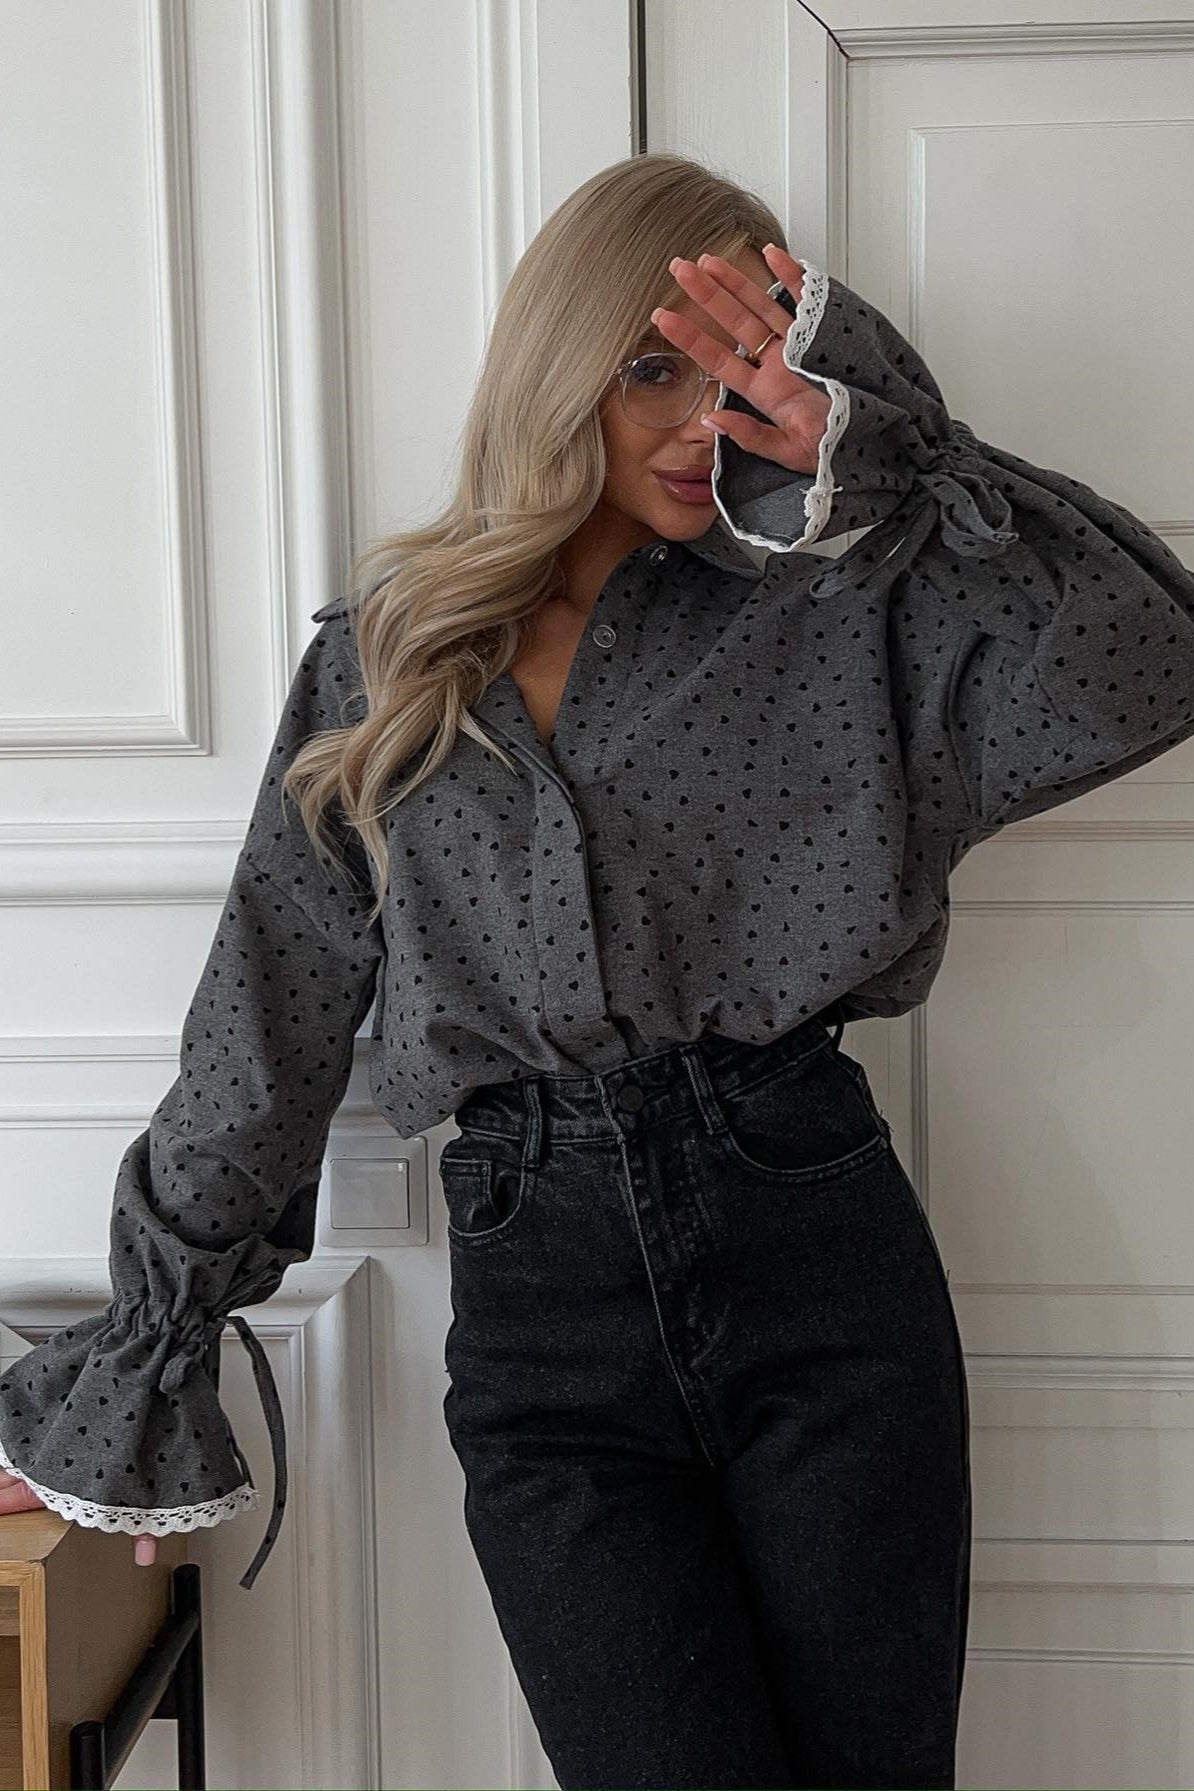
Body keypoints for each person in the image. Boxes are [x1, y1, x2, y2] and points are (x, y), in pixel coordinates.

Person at [4, 150, 1194, 1788]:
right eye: (654, 370)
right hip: (539, 1304)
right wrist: (141, 1365)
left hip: (817, 1252)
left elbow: (1151, 663)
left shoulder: (851, 613)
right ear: (560, 368)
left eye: (743, 372)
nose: (703, 421)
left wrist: (896, 456)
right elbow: (269, 1011)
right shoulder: (388, 658)